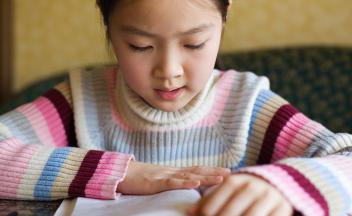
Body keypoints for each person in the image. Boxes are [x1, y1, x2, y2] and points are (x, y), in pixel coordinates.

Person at [0, 0, 351, 215]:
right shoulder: (81, 101)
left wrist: (281, 186)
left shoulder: (245, 106)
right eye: (139, 46)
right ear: (107, 24)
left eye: (194, 43)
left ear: (225, 13)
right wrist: (126, 175)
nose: (169, 71)